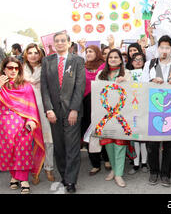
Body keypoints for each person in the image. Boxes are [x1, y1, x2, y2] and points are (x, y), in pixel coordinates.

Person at [0, 57, 45, 194]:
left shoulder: (25, 85)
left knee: (22, 151)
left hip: (22, 124)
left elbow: (31, 106)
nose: (13, 71)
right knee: (9, 151)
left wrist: (32, 121)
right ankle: (14, 176)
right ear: (4, 69)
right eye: (10, 68)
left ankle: (23, 179)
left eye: (16, 68)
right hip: (3, 125)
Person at [40, 31, 86, 193]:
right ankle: (64, 177)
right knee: (59, 146)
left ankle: (71, 181)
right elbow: (44, 88)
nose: (60, 43)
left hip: (72, 111)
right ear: (53, 44)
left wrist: (74, 109)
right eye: (57, 41)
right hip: (54, 112)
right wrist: (48, 109)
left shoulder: (78, 61)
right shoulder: (47, 61)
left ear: (68, 43)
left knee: (72, 146)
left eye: (62, 41)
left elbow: (80, 87)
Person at [143, 35, 171, 188]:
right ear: (158, 48)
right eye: (162, 47)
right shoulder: (150, 64)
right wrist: (152, 81)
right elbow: (142, 83)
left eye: (167, 47)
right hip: (153, 107)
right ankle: (153, 171)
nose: (165, 50)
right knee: (152, 143)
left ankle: (165, 174)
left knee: (170, 143)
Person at [95, 49, 131, 187]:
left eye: (116, 57)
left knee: (120, 144)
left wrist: (125, 82)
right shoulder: (100, 74)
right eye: (111, 57)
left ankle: (119, 174)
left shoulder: (126, 73)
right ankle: (114, 170)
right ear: (107, 59)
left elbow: (134, 91)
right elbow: (96, 92)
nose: (114, 59)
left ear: (121, 60)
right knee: (108, 143)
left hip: (121, 114)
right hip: (105, 115)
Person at [22, 43, 55, 184]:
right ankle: (34, 171)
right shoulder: (20, 70)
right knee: (30, 140)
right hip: (25, 109)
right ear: (25, 55)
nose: (33, 55)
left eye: (36, 52)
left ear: (40, 54)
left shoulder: (45, 68)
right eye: (30, 53)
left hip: (43, 106)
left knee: (48, 138)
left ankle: (49, 168)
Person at [82, 45, 111, 176]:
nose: (88, 53)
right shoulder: (83, 68)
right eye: (86, 51)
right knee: (90, 132)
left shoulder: (104, 67)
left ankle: (107, 158)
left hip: (102, 103)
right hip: (86, 104)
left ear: (97, 53)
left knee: (103, 130)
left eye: (91, 51)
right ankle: (95, 163)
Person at [126, 52, 149, 175]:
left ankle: (144, 162)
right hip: (132, 109)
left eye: (141, 59)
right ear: (131, 62)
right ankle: (135, 164)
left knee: (143, 138)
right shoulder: (127, 74)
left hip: (144, 108)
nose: (138, 62)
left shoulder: (148, 74)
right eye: (135, 60)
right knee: (134, 137)